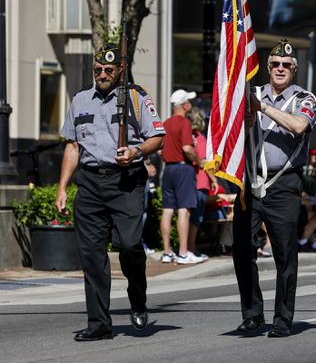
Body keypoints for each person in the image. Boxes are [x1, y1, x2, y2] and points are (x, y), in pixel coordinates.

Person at [55, 44, 165, 341]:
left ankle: (137, 299)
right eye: (98, 70)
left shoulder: (136, 97)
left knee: (129, 245)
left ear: (120, 70)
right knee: (92, 256)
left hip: (126, 181)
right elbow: (72, 146)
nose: (102, 74)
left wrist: (135, 150)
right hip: (90, 183)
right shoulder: (80, 100)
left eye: (108, 70)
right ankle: (99, 323)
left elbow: (157, 138)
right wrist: (62, 187)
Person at [235, 39, 316, 338]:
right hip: (250, 179)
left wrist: (263, 108)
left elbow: (298, 126)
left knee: (284, 253)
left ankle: (283, 318)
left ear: (293, 70)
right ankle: (252, 314)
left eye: (286, 65)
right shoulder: (252, 94)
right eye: (275, 65)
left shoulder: (304, 98)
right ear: (267, 68)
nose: (280, 69)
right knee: (242, 248)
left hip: (283, 183)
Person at [160, 89, 205, 264]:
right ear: (184, 105)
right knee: (184, 211)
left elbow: (159, 148)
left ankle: (166, 252)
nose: (191, 105)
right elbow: (187, 148)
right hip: (182, 169)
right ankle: (184, 253)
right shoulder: (185, 123)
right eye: (189, 102)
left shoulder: (165, 123)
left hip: (168, 169)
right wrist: (199, 161)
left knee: (167, 210)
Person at [187, 107, 215, 260]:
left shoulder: (190, 137)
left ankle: (189, 247)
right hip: (201, 181)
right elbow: (205, 162)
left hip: (190, 181)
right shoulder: (201, 139)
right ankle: (191, 248)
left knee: (189, 216)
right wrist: (214, 179)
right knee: (196, 218)